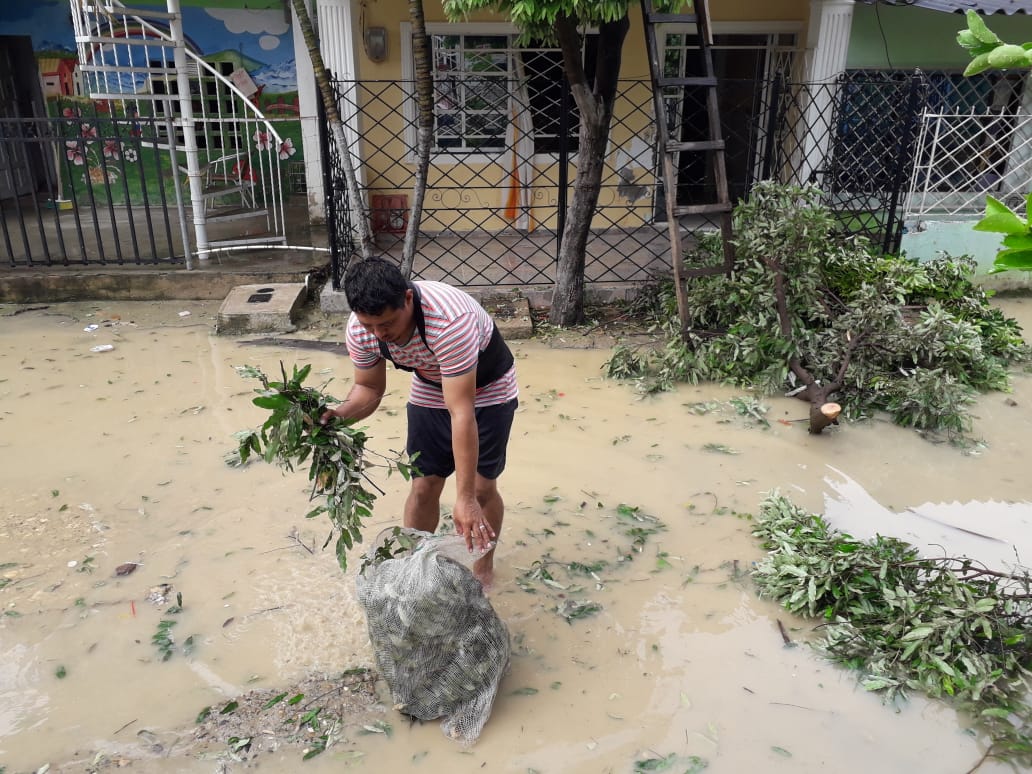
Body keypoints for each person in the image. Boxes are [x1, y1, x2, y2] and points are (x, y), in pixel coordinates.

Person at [320, 258, 518, 587]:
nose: (380, 334)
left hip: (488, 390)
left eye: (387, 323)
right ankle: (416, 570)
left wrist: (464, 497)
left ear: (407, 300)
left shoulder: (451, 321)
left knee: (481, 490)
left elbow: (461, 410)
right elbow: (369, 389)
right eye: (370, 325)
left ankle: (483, 570)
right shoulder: (361, 330)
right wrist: (338, 416)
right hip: (429, 385)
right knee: (424, 487)